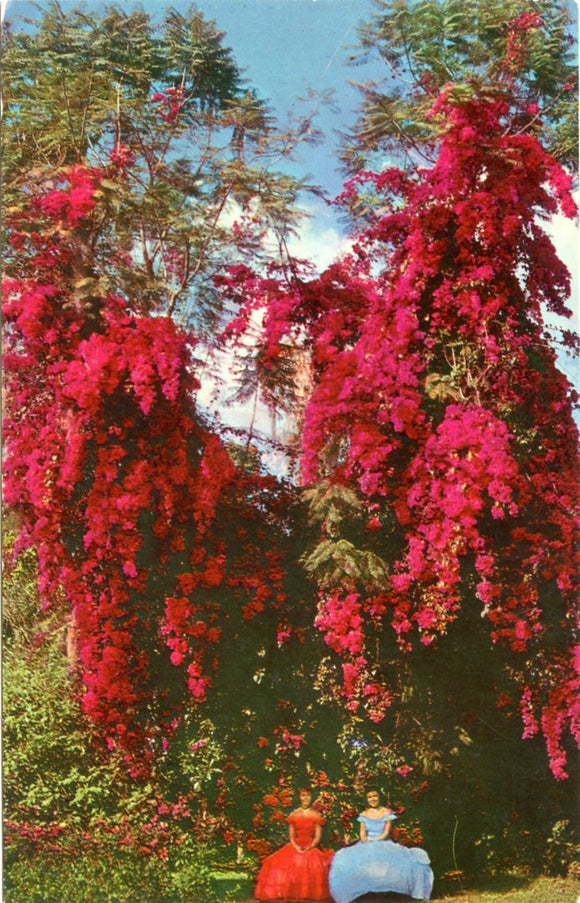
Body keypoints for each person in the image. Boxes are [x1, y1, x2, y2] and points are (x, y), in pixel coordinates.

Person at [328, 789, 433, 903]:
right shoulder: (364, 814)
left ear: (379, 797)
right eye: (369, 797)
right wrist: (367, 841)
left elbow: (386, 833)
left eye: (375, 796)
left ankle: (395, 893)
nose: (372, 799)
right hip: (367, 842)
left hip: (383, 841)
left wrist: (375, 840)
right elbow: (362, 834)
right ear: (366, 799)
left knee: (404, 862)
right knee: (345, 860)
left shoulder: (387, 813)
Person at [254, 788, 334, 902]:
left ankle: (306, 896)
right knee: (279, 864)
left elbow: (317, 837)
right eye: (303, 795)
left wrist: (309, 847)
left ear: (311, 797)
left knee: (313, 866)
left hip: (309, 846)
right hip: (295, 846)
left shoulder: (316, 815)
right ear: (299, 797)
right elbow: (291, 836)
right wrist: (296, 847)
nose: (305, 798)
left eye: (308, 796)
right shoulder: (294, 814)